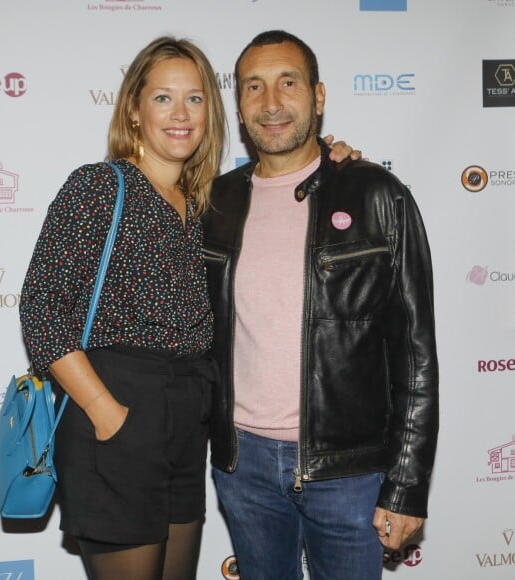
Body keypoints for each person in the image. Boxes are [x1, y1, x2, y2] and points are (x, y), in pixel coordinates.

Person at [20, 35, 357, 580]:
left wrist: (336, 157)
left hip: (188, 421)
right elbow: (44, 312)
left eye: (195, 99)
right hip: (116, 412)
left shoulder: (207, 204)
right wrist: (110, 416)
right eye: (163, 98)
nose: (181, 114)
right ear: (134, 110)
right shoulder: (101, 187)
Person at [202, 30, 439, 580]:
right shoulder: (216, 203)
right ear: (238, 104)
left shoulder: (378, 195)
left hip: (349, 472)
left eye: (288, 82)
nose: (271, 103)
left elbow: (416, 354)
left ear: (319, 95)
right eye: (253, 86)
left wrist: (406, 484)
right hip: (243, 466)